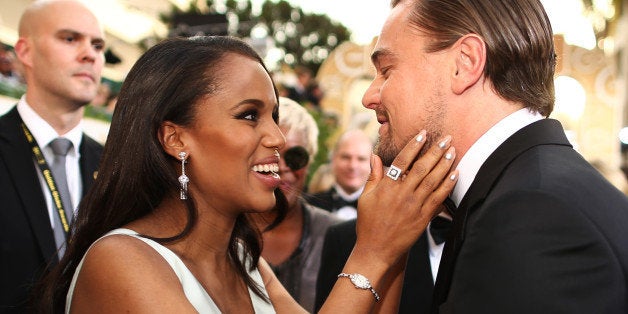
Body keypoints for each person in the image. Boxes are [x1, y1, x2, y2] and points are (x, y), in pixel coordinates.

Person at [34, 35, 458, 313]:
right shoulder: (121, 261)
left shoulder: (242, 258)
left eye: (273, 115)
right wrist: (374, 252)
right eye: (250, 115)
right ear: (175, 139)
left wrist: (398, 234)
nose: (276, 137)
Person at [362, 0, 628, 313]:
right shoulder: (530, 190)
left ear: (465, 63)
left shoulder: (529, 213)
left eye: (386, 71)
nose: (370, 97)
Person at [0, 0, 105, 312]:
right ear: (25, 51)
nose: (90, 54)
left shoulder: (114, 165)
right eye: (70, 39)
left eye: (97, 45)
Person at [250, 96, 341, 312]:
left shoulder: (340, 235)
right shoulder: (221, 233)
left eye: (295, 156)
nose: (280, 166)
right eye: (269, 155)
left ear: (310, 160)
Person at [307, 129, 374, 220]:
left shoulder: (383, 209)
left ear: (372, 164)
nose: (353, 166)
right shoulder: (310, 206)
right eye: (346, 157)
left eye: (361, 159)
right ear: (333, 159)